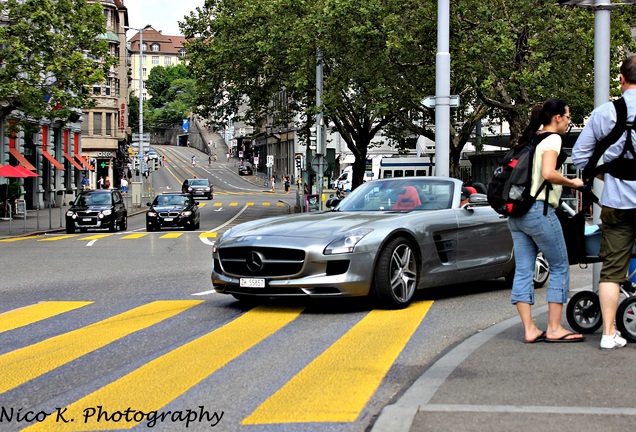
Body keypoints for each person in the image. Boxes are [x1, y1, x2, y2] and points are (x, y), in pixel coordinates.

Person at [572, 55, 636, 350]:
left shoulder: (604, 114)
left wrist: (605, 173)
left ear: (621, 79)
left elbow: (581, 158)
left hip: (616, 203)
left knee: (612, 270)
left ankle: (609, 333)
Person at [508, 99, 585, 344]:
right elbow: (548, 173)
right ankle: (553, 327)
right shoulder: (553, 139)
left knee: (523, 270)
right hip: (539, 212)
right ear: (557, 118)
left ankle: (530, 329)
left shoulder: (531, 138)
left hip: (516, 214)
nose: (569, 121)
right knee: (560, 266)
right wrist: (574, 183)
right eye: (568, 116)